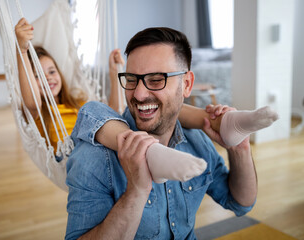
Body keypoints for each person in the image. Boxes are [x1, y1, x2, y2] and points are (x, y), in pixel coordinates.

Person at [65, 27, 278, 239]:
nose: (138, 93)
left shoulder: (195, 140)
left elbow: (241, 203)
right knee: (91, 109)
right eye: (131, 79)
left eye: (156, 79)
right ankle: (150, 151)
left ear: (186, 84)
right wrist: (137, 191)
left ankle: (225, 124)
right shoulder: (95, 157)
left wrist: (239, 147)